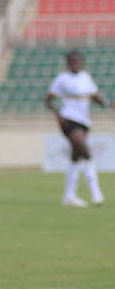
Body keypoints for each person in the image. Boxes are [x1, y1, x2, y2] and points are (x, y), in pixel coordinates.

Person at [46, 49, 106, 207]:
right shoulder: (62, 79)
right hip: (68, 120)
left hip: (84, 121)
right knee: (85, 152)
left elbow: (94, 96)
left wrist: (106, 103)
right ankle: (96, 193)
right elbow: (49, 99)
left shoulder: (85, 77)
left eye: (78, 61)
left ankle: (69, 195)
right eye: (73, 61)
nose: (76, 64)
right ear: (68, 63)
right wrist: (58, 116)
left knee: (75, 157)